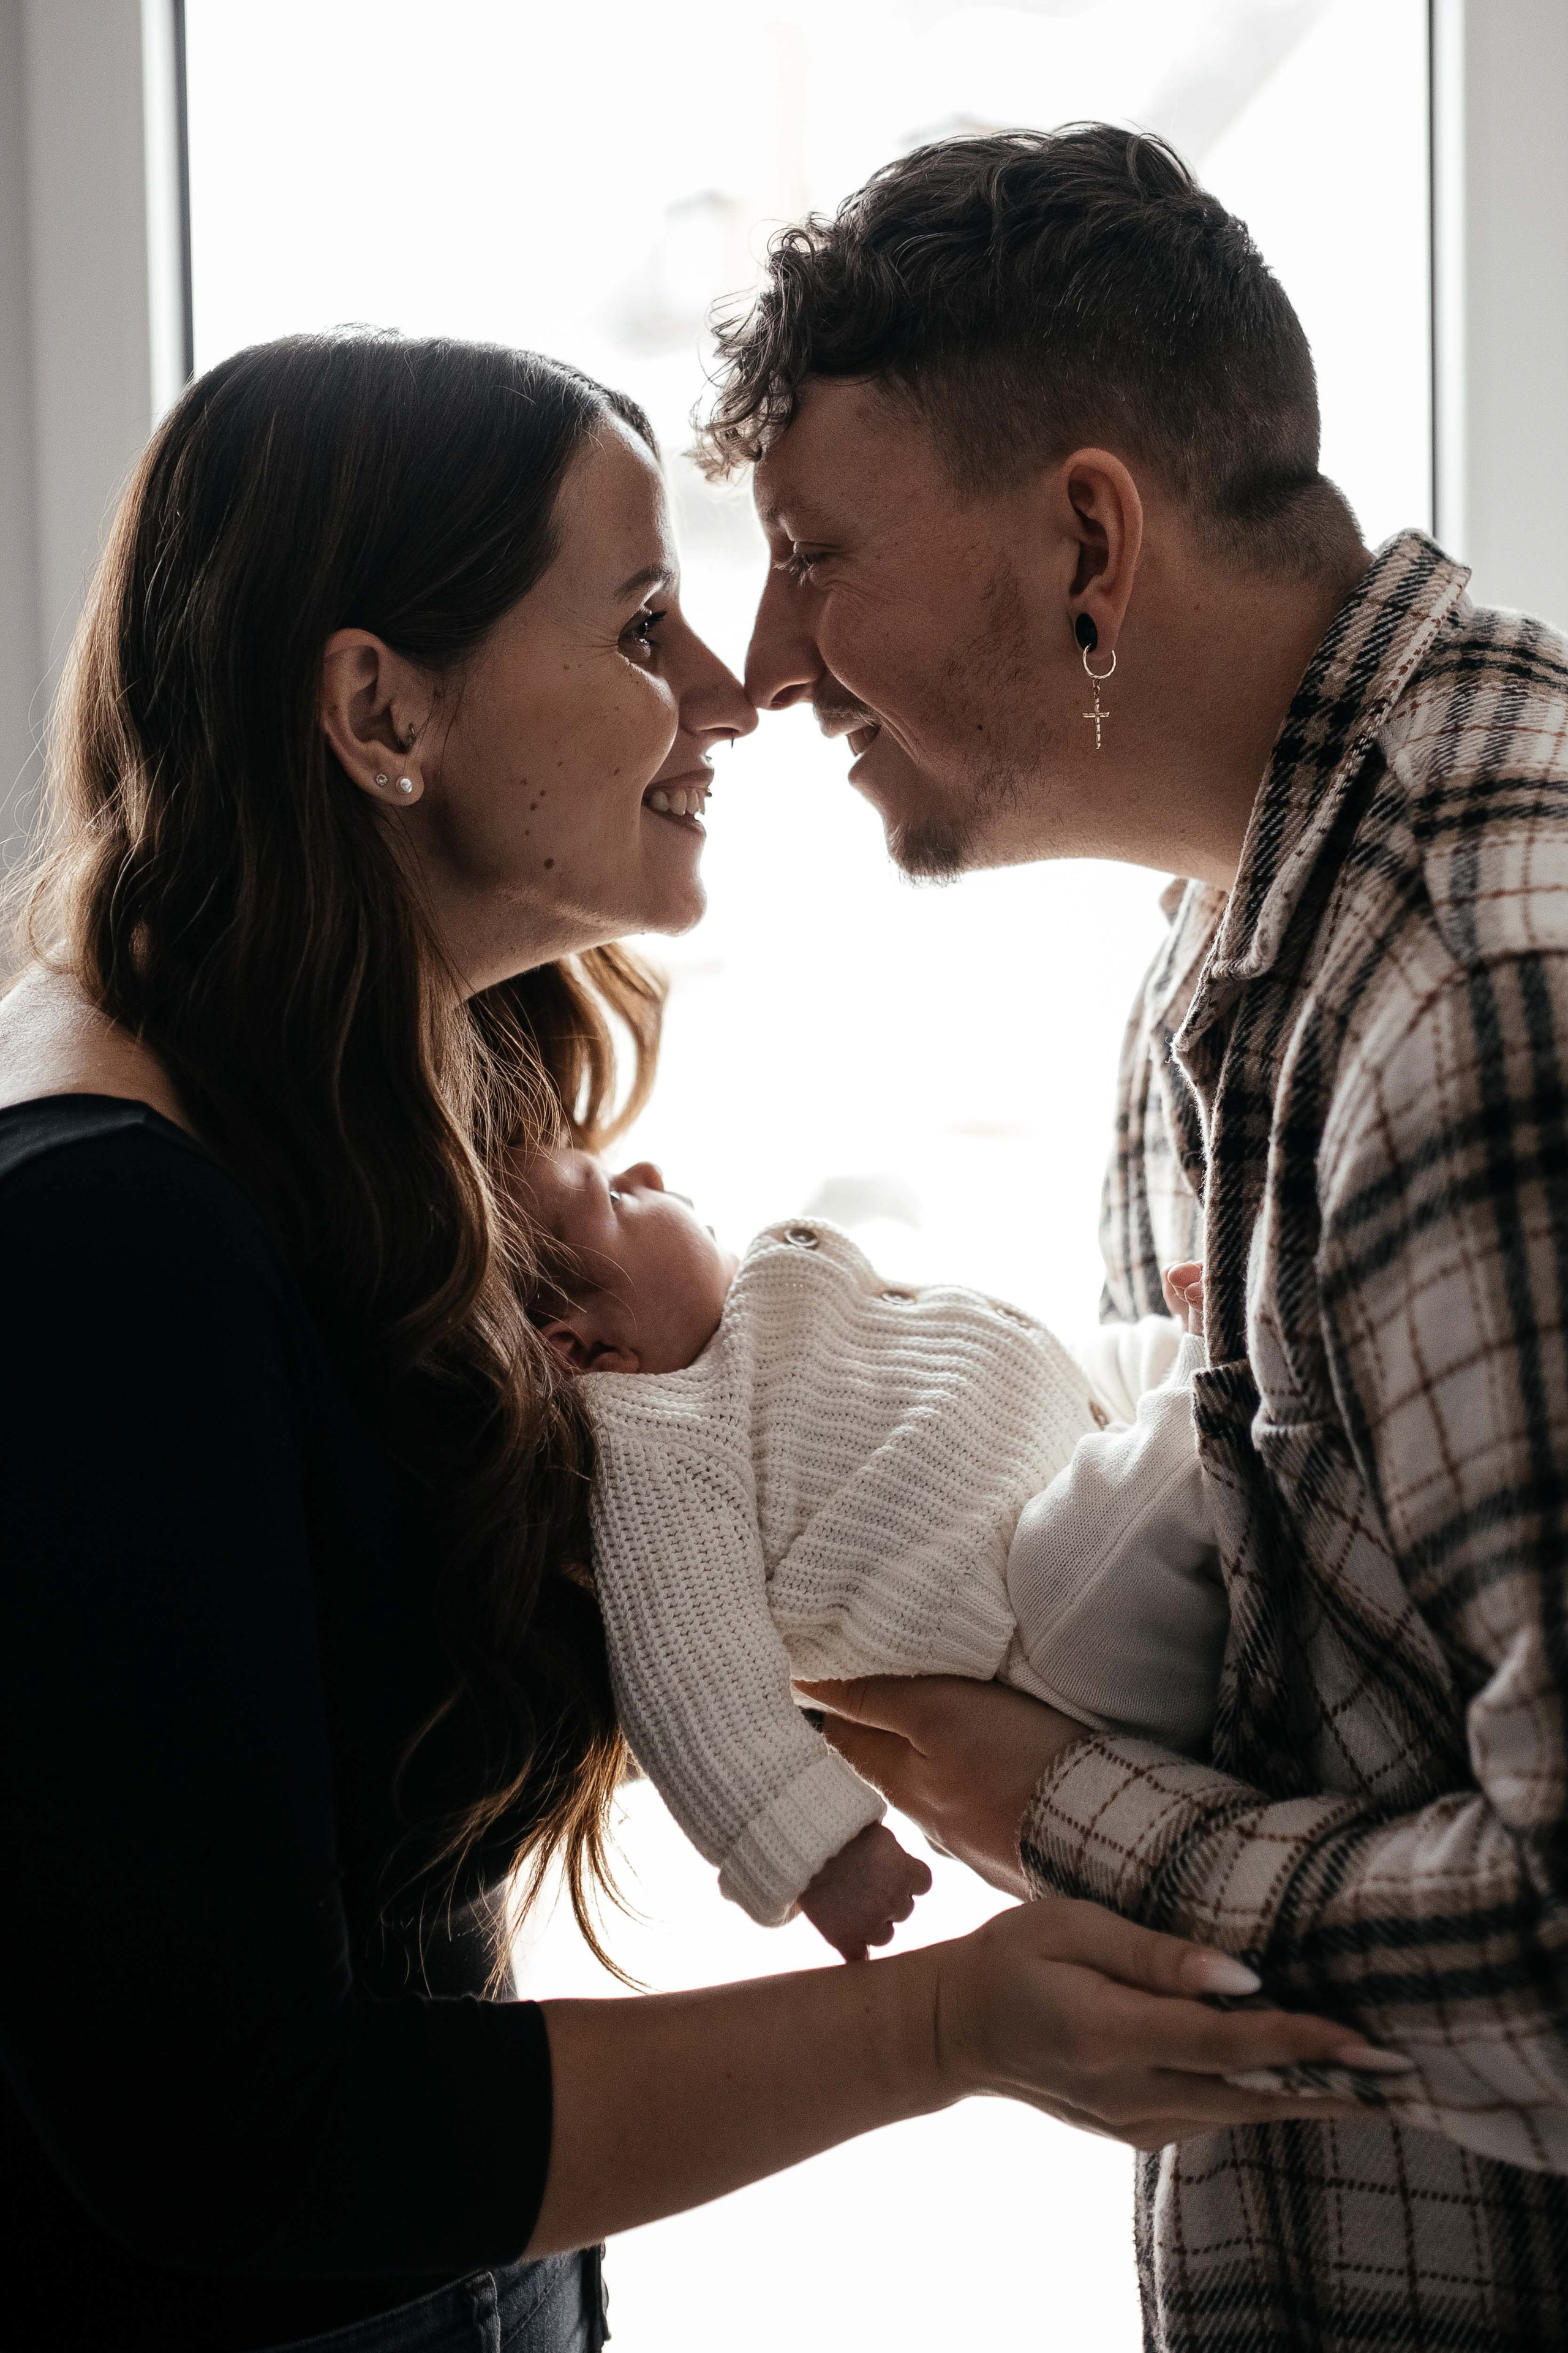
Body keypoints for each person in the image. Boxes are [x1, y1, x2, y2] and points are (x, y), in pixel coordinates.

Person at [0, 328, 1379, 2353]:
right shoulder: (96, 1253)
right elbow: (235, 2137)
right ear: (379, 709)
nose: (741, 690)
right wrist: (939, 2026)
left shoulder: (377, 1113)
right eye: (645, 622)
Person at [716, 120, 1568, 2351]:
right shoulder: (1226, 948)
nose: (761, 659)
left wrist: (1045, 1804)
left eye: (814, 554)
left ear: (1092, 537)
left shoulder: (1487, 988)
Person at [516, 1141, 1226, 1962]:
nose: (644, 1174)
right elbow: (689, 1671)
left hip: (1071, 1443)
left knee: (1114, 1365)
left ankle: (1188, 1379)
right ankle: (1212, 1384)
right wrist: (819, 1851)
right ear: (584, 1350)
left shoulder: (747, 1314)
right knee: (1094, 1543)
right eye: (611, 1197)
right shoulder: (654, 1440)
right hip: (1054, 1632)